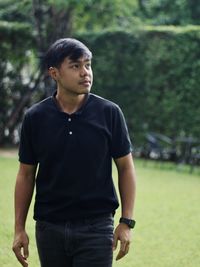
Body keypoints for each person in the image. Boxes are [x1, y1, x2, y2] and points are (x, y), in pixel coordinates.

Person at [12, 38, 137, 267]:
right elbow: (26, 175)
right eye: (75, 66)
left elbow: (126, 168)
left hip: (97, 228)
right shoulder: (35, 118)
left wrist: (126, 222)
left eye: (88, 65)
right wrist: (19, 228)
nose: (85, 72)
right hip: (49, 228)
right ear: (54, 73)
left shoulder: (109, 113)